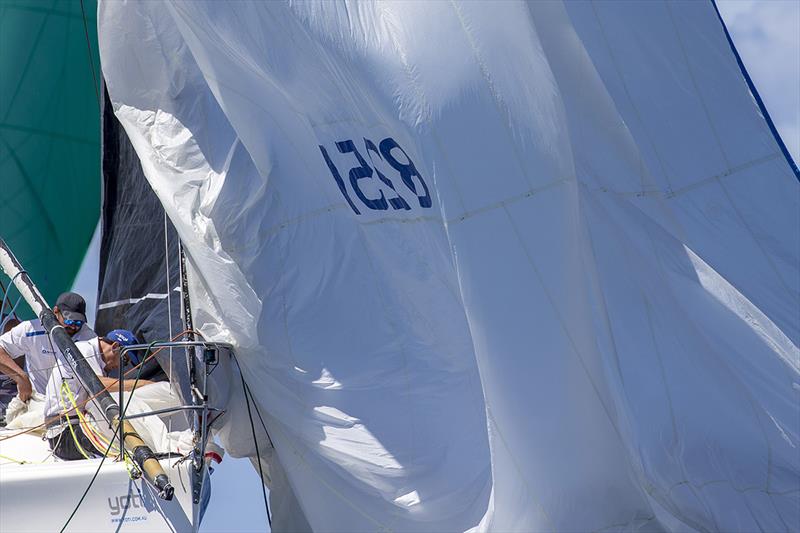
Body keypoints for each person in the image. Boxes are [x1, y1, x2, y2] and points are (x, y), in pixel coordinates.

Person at [45, 329, 152, 461]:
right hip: (65, 436)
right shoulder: (83, 349)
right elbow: (97, 385)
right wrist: (143, 384)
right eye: (124, 360)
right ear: (115, 347)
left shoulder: (94, 358)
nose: (119, 366)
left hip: (72, 430)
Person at [0, 292, 96, 402]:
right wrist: (21, 378)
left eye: (79, 322)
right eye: (69, 321)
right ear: (56, 312)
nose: (73, 326)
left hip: (74, 404)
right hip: (39, 402)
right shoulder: (31, 329)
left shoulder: (90, 338)